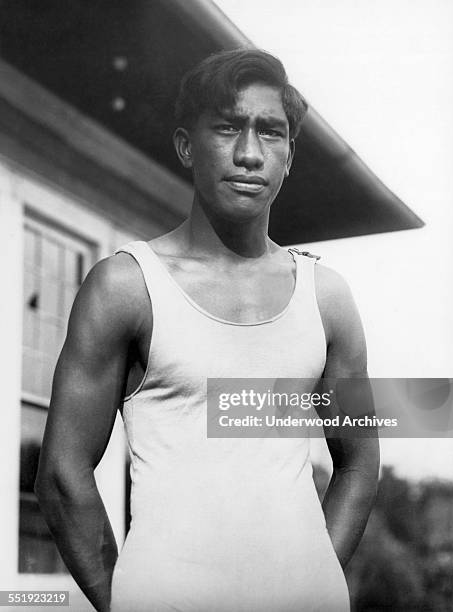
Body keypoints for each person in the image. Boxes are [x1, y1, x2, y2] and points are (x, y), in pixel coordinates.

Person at [35, 49, 379, 611]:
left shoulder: (329, 297)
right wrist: (121, 601)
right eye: (227, 128)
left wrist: (318, 577)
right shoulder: (127, 286)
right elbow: (62, 474)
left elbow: (361, 462)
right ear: (185, 146)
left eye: (271, 132)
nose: (249, 154)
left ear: (290, 155)